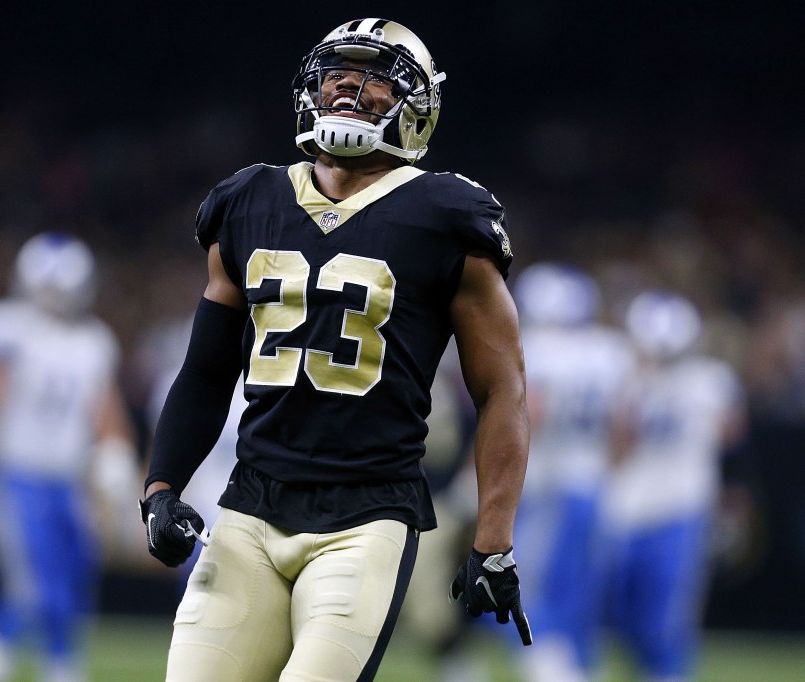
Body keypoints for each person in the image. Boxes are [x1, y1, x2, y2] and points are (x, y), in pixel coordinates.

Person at [139, 18, 532, 682]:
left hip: (367, 517)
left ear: (416, 106)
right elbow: (206, 372)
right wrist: (160, 488)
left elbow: (503, 391)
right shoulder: (247, 202)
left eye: (375, 81)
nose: (350, 91)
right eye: (337, 77)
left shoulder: (446, 215)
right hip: (250, 509)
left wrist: (494, 540)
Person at [0, 232, 138, 682]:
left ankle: (61, 664)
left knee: (72, 582)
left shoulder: (93, 339)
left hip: (69, 481)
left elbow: (106, 412)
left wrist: (116, 458)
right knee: (27, 586)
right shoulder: (3, 327)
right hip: (15, 475)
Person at [500, 262, 637, 682]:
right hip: (592, 481)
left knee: (521, 579)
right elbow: (626, 426)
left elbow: (532, 415)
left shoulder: (535, 347)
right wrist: (608, 472)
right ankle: (580, 663)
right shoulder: (609, 350)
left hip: (546, 483)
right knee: (579, 586)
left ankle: (552, 665)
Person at [601, 290, 747, 682]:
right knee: (619, 609)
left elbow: (734, 440)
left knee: (667, 617)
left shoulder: (711, 380)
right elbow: (616, 448)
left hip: (682, 506)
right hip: (626, 508)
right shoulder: (624, 378)